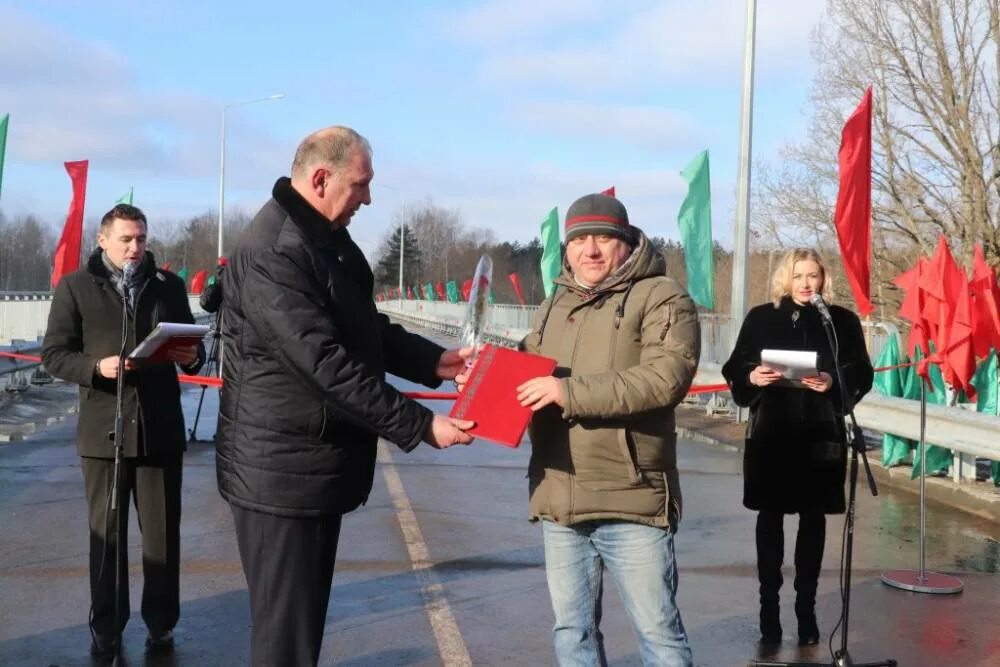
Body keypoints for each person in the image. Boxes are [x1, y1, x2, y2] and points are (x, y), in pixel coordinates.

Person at [216, 125, 475, 667]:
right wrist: (421, 425)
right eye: (361, 184)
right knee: (285, 640)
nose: (368, 198)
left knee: (300, 632)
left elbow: (362, 327)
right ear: (320, 178)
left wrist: (433, 361)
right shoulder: (276, 252)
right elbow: (325, 365)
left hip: (306, 467)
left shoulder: (323, 240)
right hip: (280, 475)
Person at [469, 193, 700, 665]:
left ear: (627, 244)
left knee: (659, 636)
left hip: (631, 497)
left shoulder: (662, 296)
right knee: (572, 635)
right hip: (560, 496)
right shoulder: (554, 304)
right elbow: (526, 364)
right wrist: (478, 375)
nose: (589, 251)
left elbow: (665, 378)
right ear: (566, 249)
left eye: (602, 238)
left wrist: (566, 393)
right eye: (579, 240)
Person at [41, 203, 204, 660]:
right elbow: (55, 354)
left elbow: (189, 346)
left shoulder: (167, 286)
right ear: (103, 240)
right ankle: (107, 627)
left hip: (159, 431)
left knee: (162, 535)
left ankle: (161, 624)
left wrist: (191, 357)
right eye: (127, 240)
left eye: (142, 239)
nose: (136, 248)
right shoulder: (75, 287)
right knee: (107, 537)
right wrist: (96, 367)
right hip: (102, 433)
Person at [721, 248, 873, 647]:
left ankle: (806, 611)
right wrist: (752, 374)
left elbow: (861, 370)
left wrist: (832, 381)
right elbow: (734, 366)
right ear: (785, 278)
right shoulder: (761, 317)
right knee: (769, 520)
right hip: (772, 433)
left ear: (824, 279)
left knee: (814, 521)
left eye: (814, 276)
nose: (807, 284)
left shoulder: (839, 320)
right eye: (799, 276)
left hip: (820, 434)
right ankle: (768, 610)